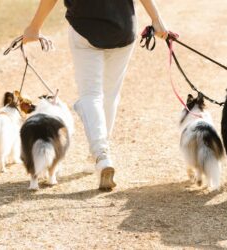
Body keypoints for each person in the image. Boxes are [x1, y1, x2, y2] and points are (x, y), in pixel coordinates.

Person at [22, 0, 168, 191]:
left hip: (85, 30)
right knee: (110, 95)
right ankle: (101, 153)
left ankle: (101, 154)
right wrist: (156, 18)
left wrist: (34, 27)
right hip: (122, 28)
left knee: (91, 95)